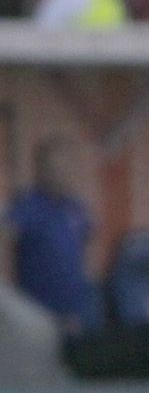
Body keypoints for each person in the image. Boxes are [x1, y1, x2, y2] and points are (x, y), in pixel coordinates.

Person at [6, 134, 97, 334]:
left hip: (76, 312)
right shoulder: (27, 205)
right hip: (36, 315)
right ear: (40, 169)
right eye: (54, 167)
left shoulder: (78, 208)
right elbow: (5, 241)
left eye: (66, 166)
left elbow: (88, 249)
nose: (61, 173)